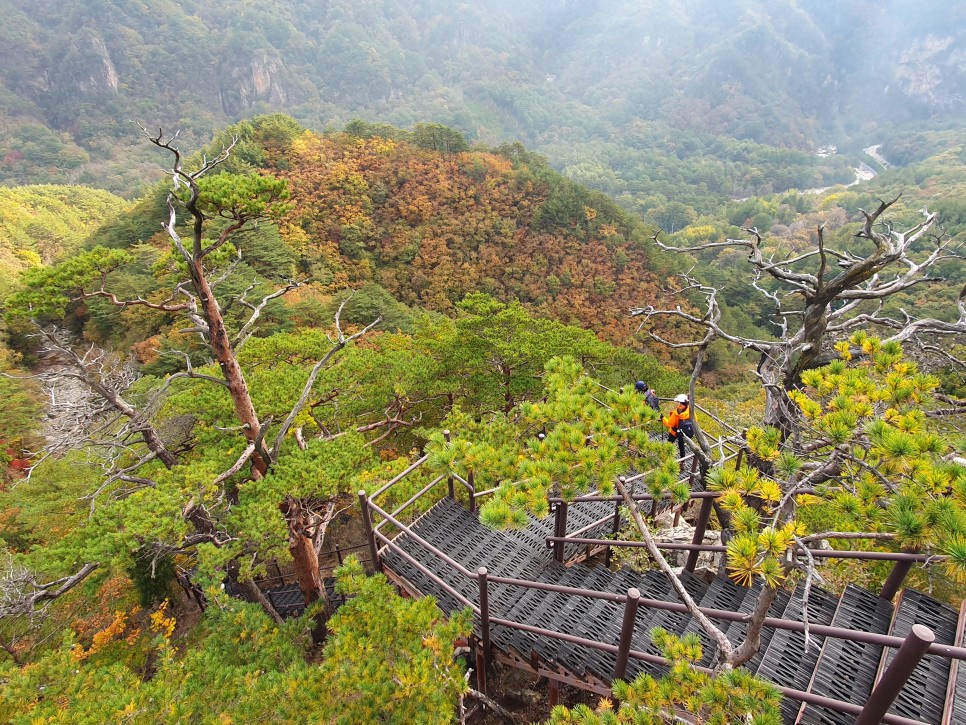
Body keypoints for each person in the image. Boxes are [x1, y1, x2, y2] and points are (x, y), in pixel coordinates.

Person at [662, 393, 694, 461]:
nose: (677, 404)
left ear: (681, 404)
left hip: (674, 432)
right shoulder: (690, 411)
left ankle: (666, 459)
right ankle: (682, 462)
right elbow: (695, 421)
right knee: (681, 447)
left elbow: (669, 424)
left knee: (669, 444)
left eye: (678, 402)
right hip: (683, 433)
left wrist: (663, 418)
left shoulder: (676, 413)